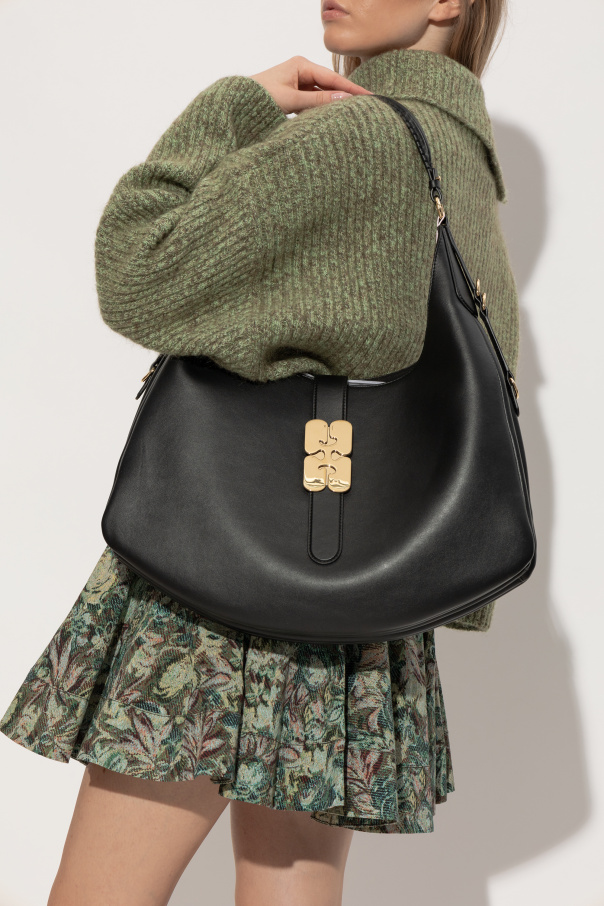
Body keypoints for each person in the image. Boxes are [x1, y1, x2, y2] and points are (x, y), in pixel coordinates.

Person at [0, 0, 517, 903]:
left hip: (217, 581)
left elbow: (136, 273)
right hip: (359, 609)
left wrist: (233, 105)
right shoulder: (459, 156)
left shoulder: (353, 139)